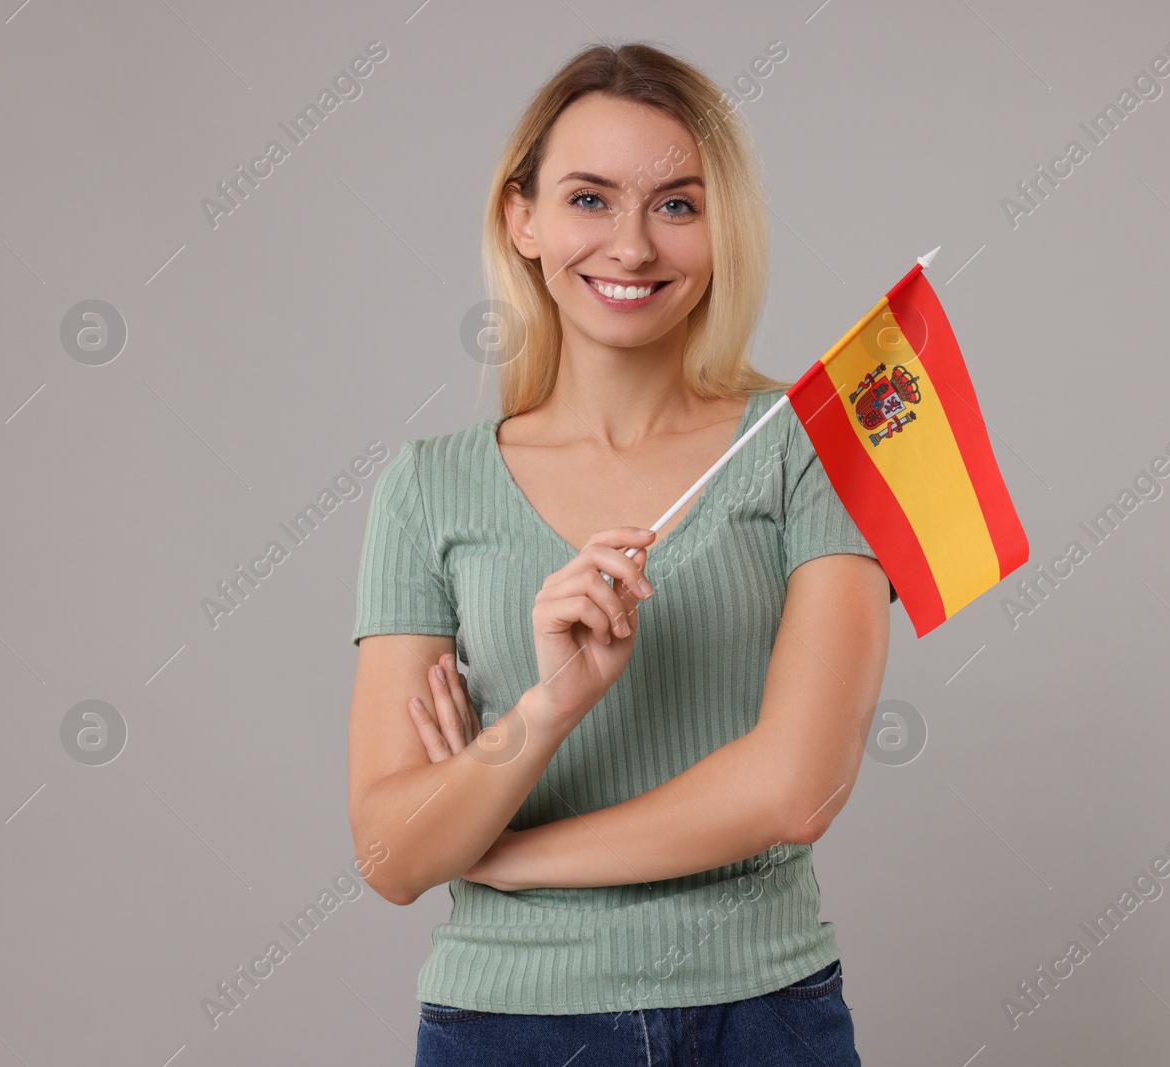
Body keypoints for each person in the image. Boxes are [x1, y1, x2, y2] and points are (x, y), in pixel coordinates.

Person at [347, 40, 894, 1065]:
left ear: (722, 226)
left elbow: (797, 787)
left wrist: (507, 851)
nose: (632, 247)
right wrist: (547, 705)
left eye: (677, 204)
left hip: (761, 1013)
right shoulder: (427, 489)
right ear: (523, 219)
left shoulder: (813, 446)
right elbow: (390, 849)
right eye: (590, 199)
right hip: (504, 1028)